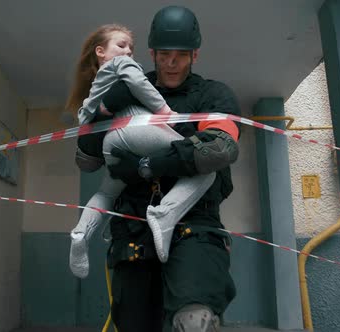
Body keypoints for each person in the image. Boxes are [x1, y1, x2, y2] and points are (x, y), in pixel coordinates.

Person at [75, 6, 241, 332]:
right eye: (163, 54)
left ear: (195, 54)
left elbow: (219, 149)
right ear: (151, 52)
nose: (170, 63)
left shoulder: (213, 95)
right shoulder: (128, 87)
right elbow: (87, 159)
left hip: (194, 225)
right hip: (134, 229)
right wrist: (101, 110)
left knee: (196, 322)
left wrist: (147, 166)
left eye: (180, 55)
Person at [67, 24, 216, 279]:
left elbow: (85, 122)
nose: (128, 52)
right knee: (203, 166)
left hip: (111, 143)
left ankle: (81, 233)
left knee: (106, 192)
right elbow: (140, 84)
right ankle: (164, 214)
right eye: (121, 45)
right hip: (138, 129)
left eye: (131, 48)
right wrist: (165, 112)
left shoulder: (93, 89)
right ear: (100, 51)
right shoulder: (121, 65)